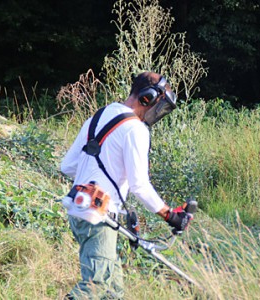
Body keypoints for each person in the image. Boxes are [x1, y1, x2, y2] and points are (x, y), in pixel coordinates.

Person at [60, 72, 192, 299]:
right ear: (147, 98)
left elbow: (67, 166)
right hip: (97, 215)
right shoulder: (135, 129)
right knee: (96, 286)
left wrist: (94, 177)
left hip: (79, 208)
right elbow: (139, 184)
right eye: (159, 106)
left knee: (113, 291)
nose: (157, 113)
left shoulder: (98, 117)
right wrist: (170, 215)